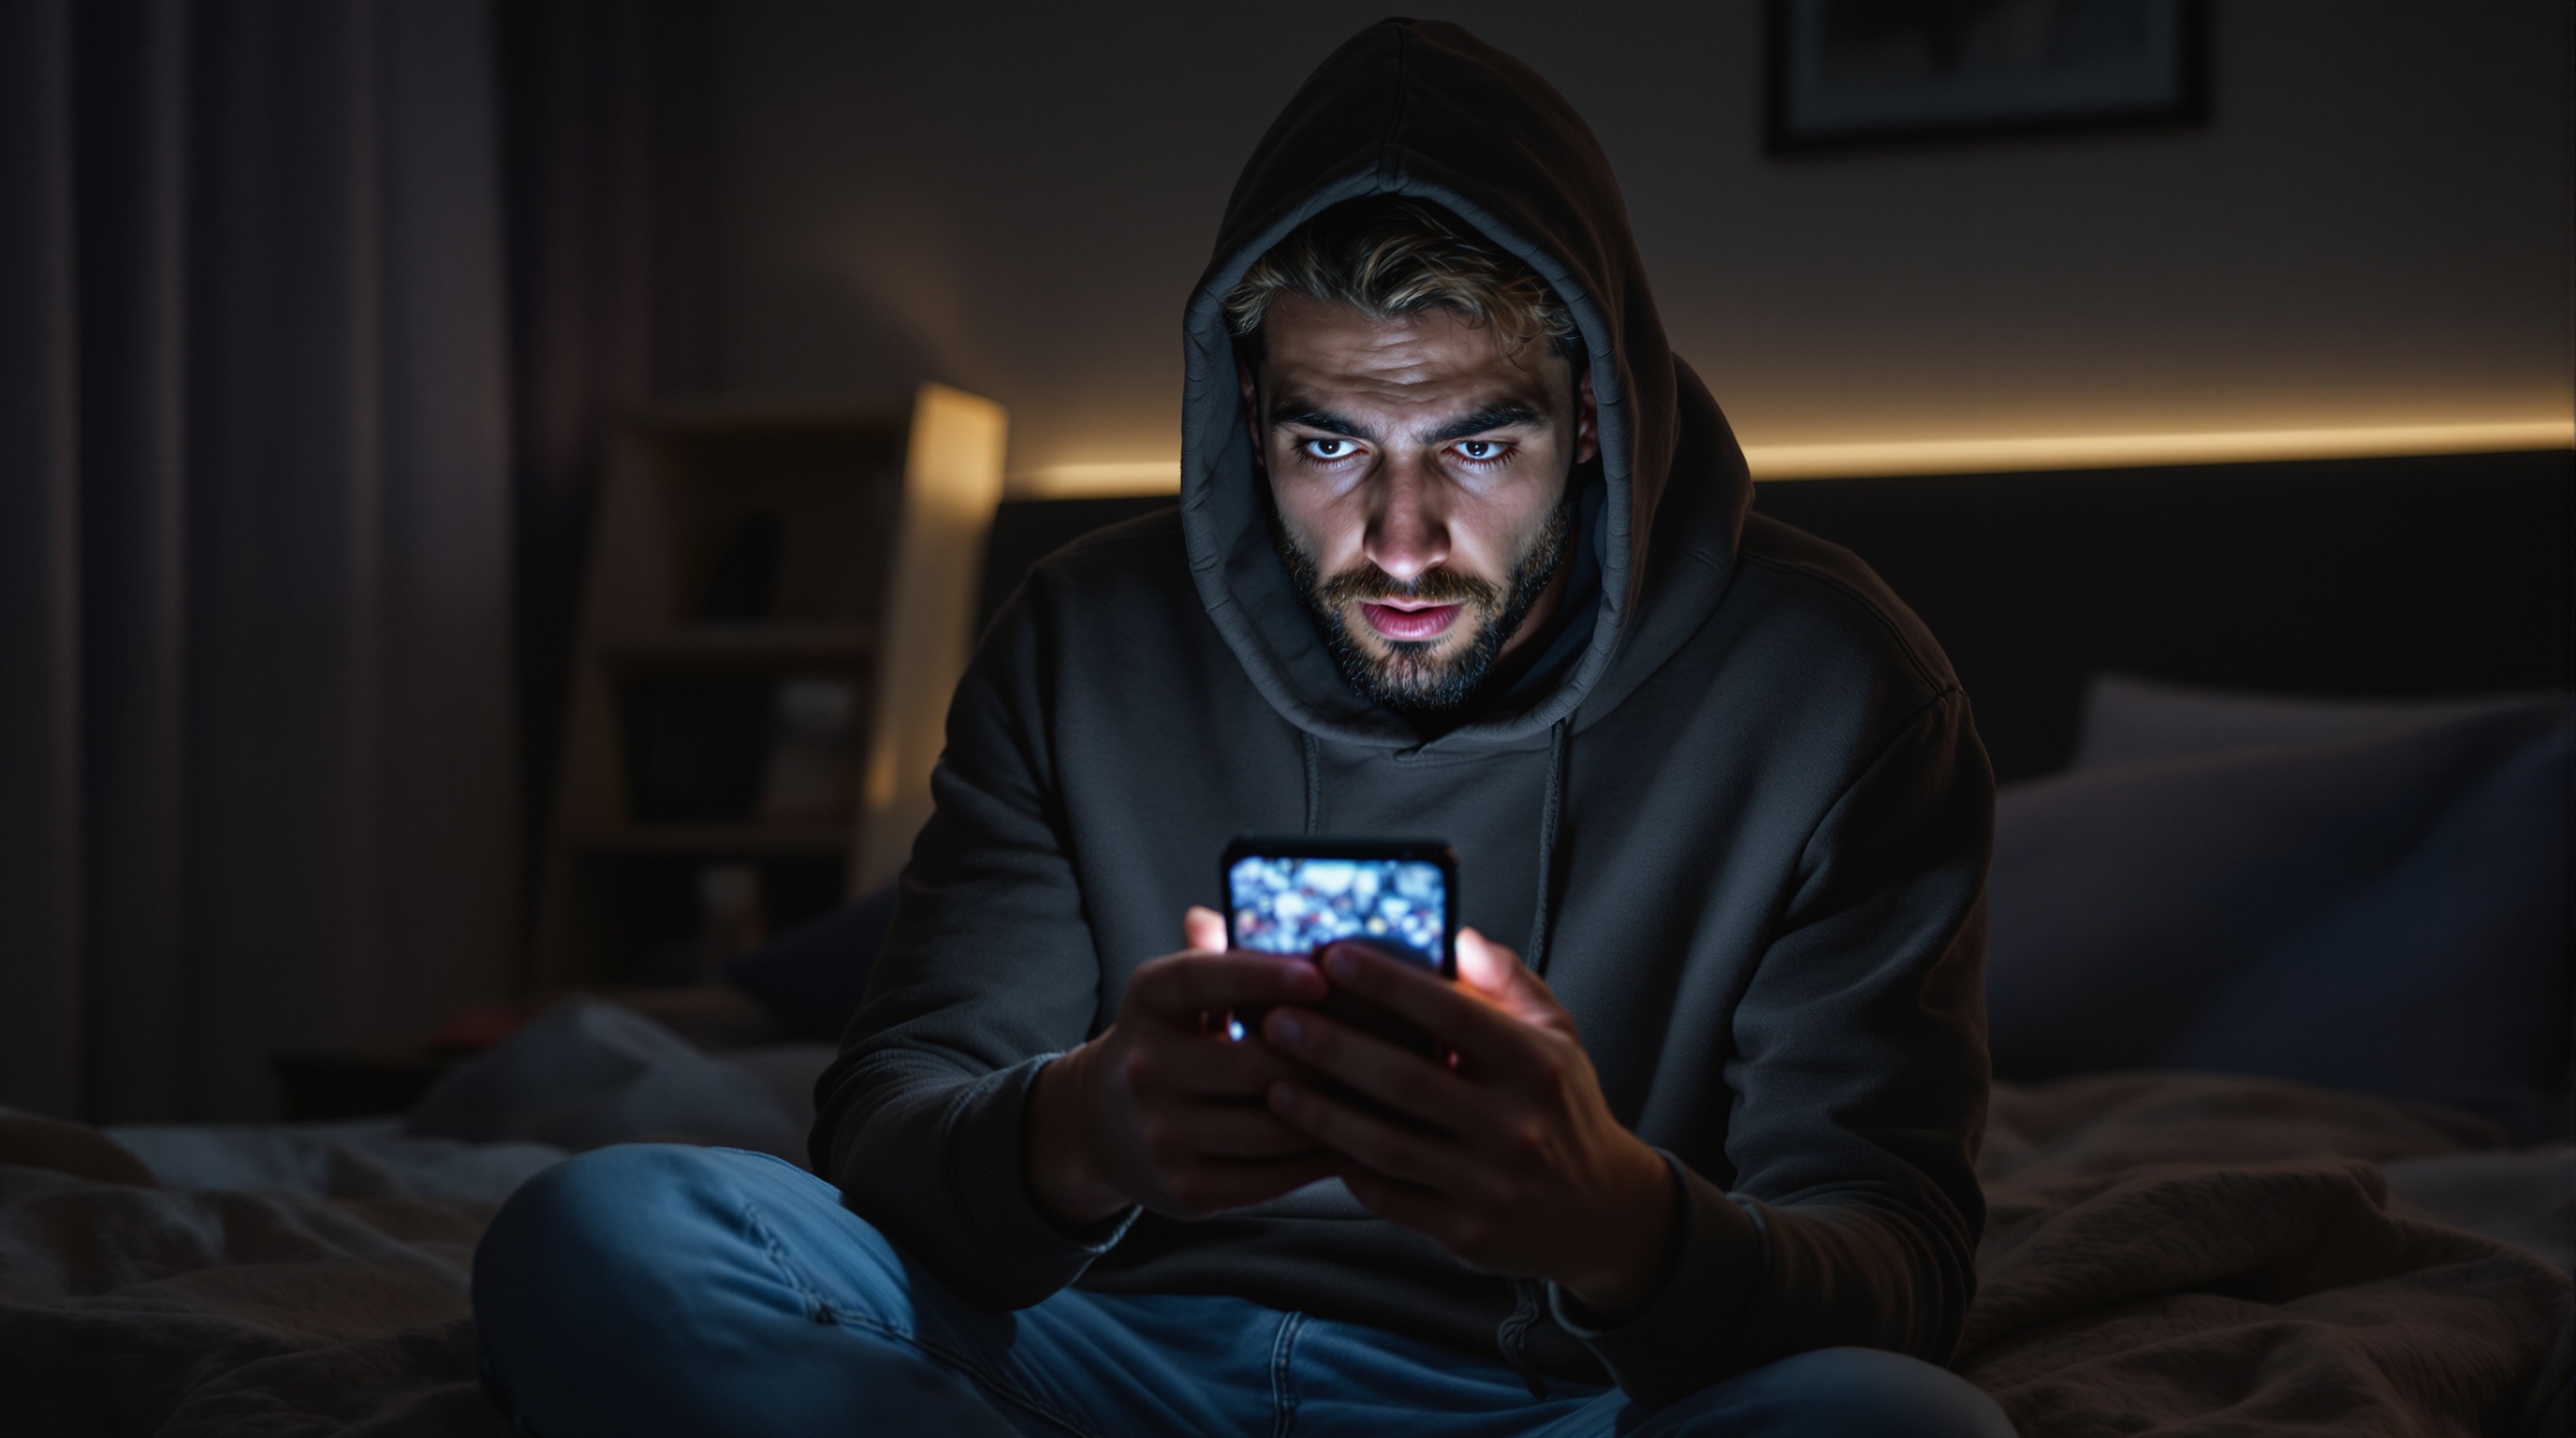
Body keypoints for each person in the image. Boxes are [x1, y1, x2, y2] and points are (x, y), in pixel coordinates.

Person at [475, 19, 2009, 1437]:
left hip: (1553, 1400)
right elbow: (887, 1122)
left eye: (1480, 442)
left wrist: (1616, 1220)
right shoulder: (1079, 639)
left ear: (1596, 411)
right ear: (1245, 410)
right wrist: (1079, 1132)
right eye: (1327, 442)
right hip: (1094, 1360)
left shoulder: (1844, 683)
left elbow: (1894, 1256)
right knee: (601, 1233)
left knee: (1907, 1427)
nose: (1400, 541)